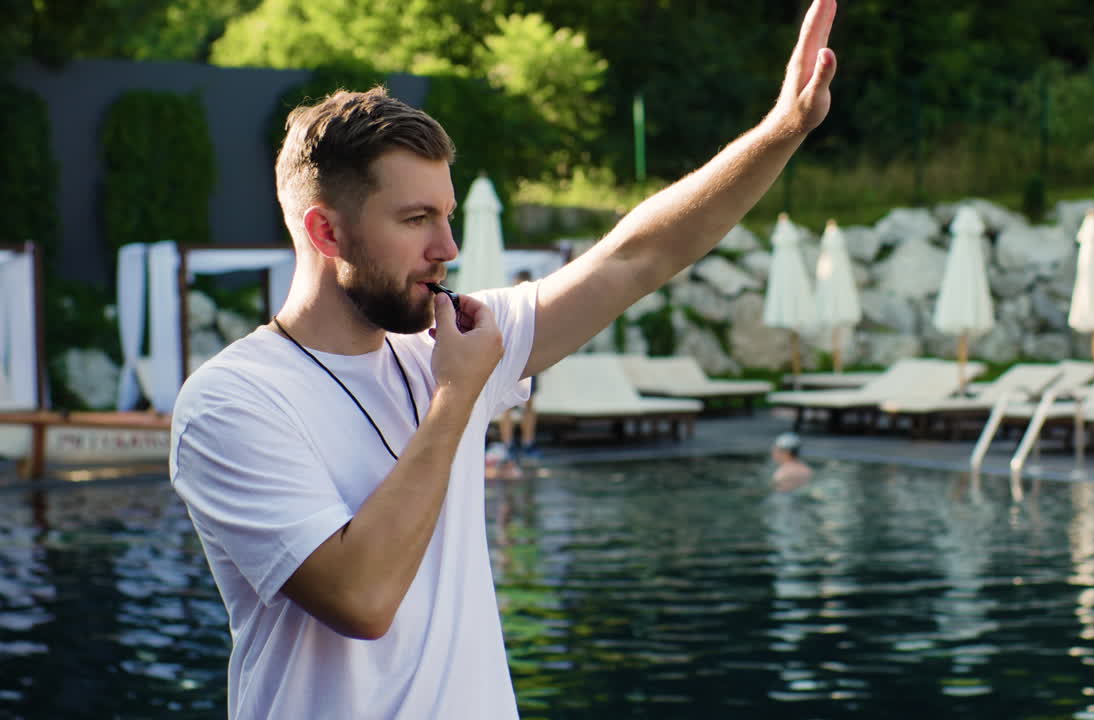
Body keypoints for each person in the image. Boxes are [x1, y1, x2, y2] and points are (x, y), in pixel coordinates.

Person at [169, 1, 836, 717]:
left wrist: (782, 131)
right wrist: (456, 398)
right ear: (325, 232)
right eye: (416, 219)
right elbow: (360, 598)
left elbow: (635, 258)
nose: (447, 249)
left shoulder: (454, 340)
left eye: (447, 215)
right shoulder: (232, 401)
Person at [498, 269, 540, 460]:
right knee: (508, 405)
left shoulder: (531, 307)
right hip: (513, 361)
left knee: (525, 405)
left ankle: (524, 443)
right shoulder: (512, 306)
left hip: (524, 361)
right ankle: (513, 444)